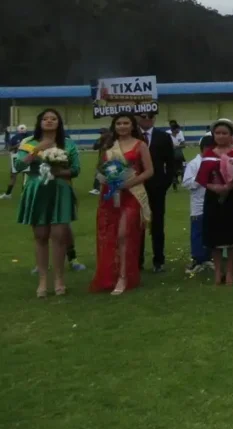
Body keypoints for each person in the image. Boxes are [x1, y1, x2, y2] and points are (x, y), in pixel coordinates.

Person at [15, 110, 82, 297]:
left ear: (59, 123)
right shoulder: (28, 143)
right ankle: (43, 281)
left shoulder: (67, 143)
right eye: (45, 119)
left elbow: (76, 170)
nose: (49, 121)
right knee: (41, 235)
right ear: (39, 123)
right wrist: (39, 149)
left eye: (53, 119)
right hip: (36, 191)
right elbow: (19, 165)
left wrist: (58, 171)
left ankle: (59, 280)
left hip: (60, 191)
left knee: (59, 236)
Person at [90, 113, 154, 294]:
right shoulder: (108, 146)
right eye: (119, 123)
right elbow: (99, 170)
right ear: (114, 125)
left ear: (133, 126)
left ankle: (124, 276)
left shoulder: (140, 145)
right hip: (110, 195)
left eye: (126, 123)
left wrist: (128, 183)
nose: (122, 126)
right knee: (109, 234)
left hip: (132, 194)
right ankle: (110, 275)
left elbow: (149, 171)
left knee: (124, 234)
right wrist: (107, 180)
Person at [196, 119, 233, 285]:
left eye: (224, 133)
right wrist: (215, 187)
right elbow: (202, 178)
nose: (220, 136)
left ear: (231, 135)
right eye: (217, 133)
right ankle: (218, 271)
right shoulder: (208, 154)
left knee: (232, 233)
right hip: (213, 197)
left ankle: (231, 270)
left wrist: (228, 186)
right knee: (215, 235)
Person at [136, 111, 176, 273]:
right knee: (137, 224)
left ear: (154, 119)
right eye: (143, 116)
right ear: (137, 118)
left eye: (150, 117)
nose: (146, 120)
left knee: (157, 224)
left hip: (157, 187)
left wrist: (165, 183)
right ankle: (137, 260)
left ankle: (158, 260)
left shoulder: (163, 137)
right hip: (136, 186)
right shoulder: (132, 136)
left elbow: (171, 162)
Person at [182, 136, 214, 274]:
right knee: (198, 233)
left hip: (214, 203)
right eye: (209, 148)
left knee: (211, 232)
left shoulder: (215, 161)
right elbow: (187, 183)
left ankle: (208, 258)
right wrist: (202, 178)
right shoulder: (194, 164)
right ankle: (197, 260)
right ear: (203, 148)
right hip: (199, 205)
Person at [2, 123, 30, 198]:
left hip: (26, 157)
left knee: (26, 176)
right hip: (16, 157)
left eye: (23, 129)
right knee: (13, 175)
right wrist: (17, 146)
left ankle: (23, 193)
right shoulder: (15, 138)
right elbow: (10, 149)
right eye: (21, 129)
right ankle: (8, 194)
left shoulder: (30, 138)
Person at [168, 120, 187, 189]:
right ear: (173, 130)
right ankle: (175, 180)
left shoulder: (180, 135)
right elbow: (168, 146)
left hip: (180, 154)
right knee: (174, 169)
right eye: (177, 129)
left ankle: (182, 179)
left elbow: (184, 145)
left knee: (184, 166)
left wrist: (176, 146)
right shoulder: (168, 136)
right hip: (173, 156)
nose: (179, 130)